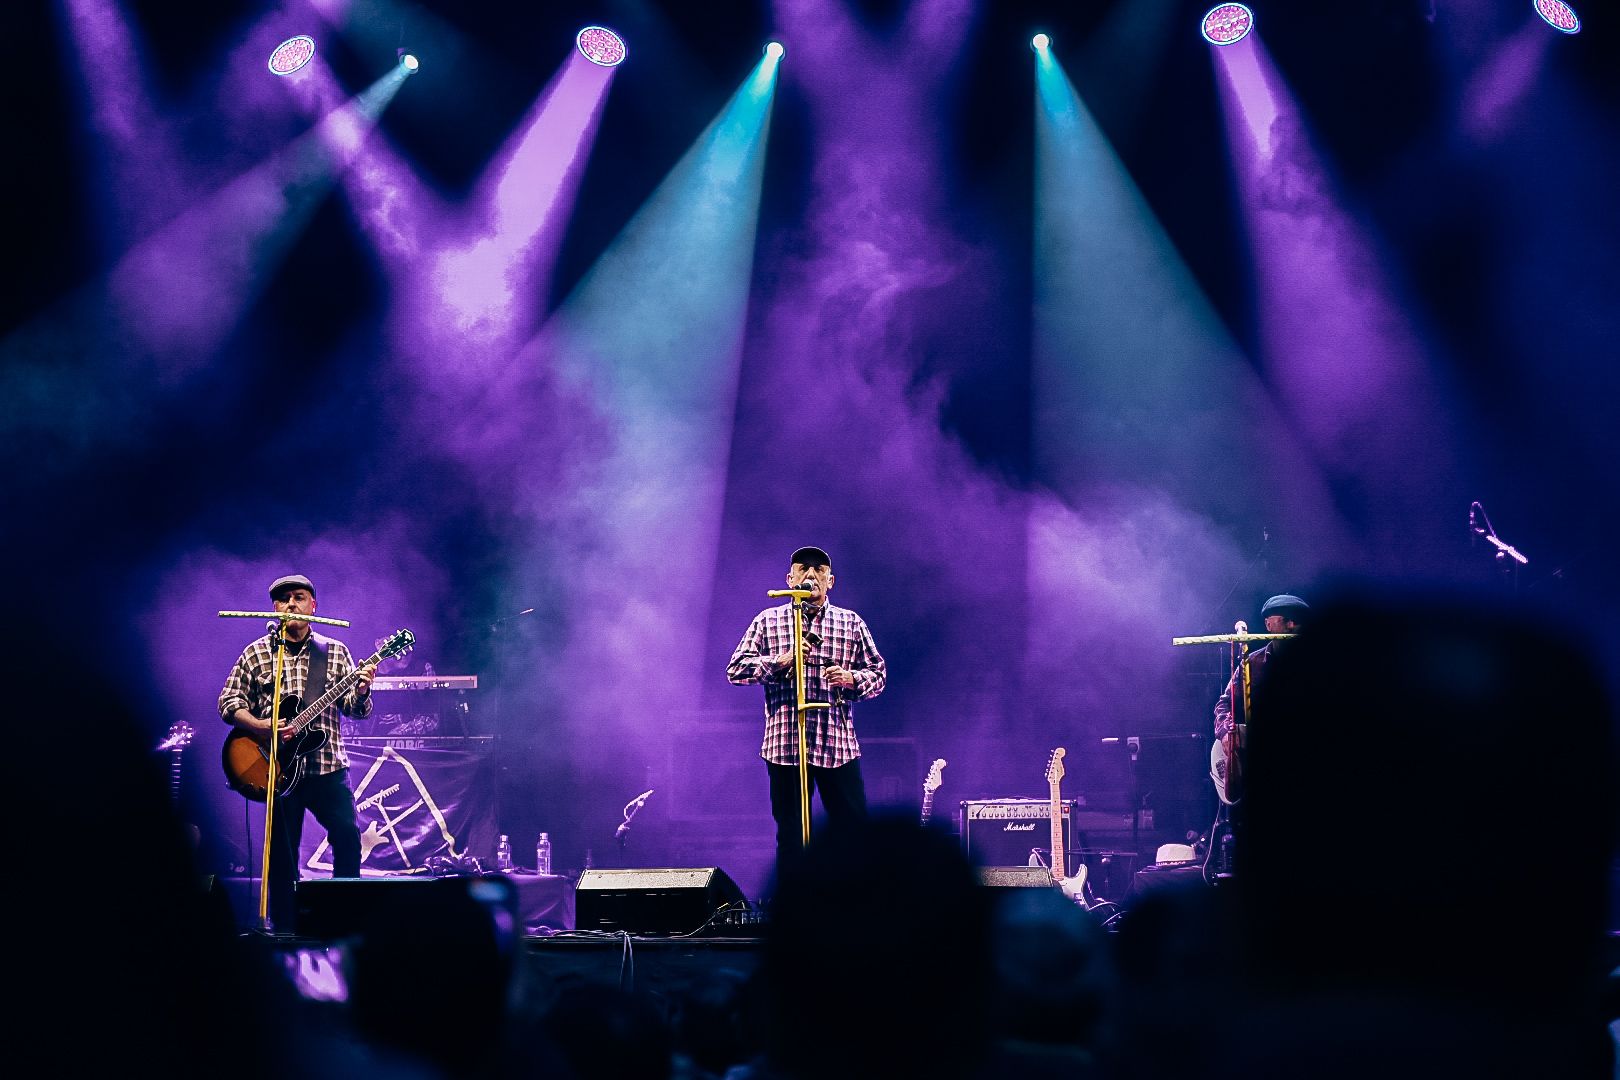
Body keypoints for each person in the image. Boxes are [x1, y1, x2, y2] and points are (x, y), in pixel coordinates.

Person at [219, 573, 376, 931]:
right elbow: (228, 702)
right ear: (275, 608)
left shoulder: (334, 651)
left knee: (347, 839)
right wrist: (261, 726)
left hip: (326, 767)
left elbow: (356, 709)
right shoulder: (256, 653)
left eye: (300, 597)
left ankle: (344, 921)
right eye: (284, 598)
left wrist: (364, 690)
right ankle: (285, 928)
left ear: (313, 605)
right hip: (275, 768)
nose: (292, 603)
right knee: (280, 856)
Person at [726, 545, 886, 864]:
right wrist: (781, 661)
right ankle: (796, 910)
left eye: (819, 569)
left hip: (837, 745)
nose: (811, 574)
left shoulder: (850, 622)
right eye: (803, 568)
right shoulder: (767, 621)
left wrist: (851, 678)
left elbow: (878, 676)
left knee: (852, 833)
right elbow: (735, 670)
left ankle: (856, 907)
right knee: (792, 836)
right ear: (790, 578)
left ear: (831, 581)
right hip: (786, 745)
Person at [1212, 593, 1307, 744]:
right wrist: (1225, 733)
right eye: (1286, 620)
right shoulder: (1252, 663)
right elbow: (1225, 703)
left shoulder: (1318, 663)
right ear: (1268, 625)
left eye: (1297, 621)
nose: (1291, 626)